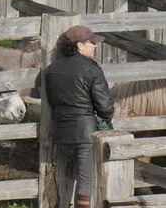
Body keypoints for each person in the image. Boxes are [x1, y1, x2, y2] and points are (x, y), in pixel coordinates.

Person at [42, 25, 114, 208]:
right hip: (85, 135)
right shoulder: (92, 69)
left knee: (66, 177)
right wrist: (105, 120)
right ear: (80, 46)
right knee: (85, 183)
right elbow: (105, 107)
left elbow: (51, 102)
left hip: (61, 135)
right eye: (92, 42)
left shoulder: (51, 70)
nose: (95, 46)